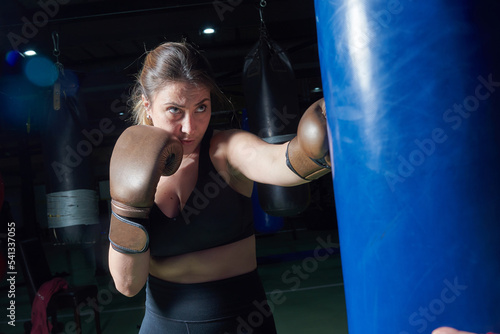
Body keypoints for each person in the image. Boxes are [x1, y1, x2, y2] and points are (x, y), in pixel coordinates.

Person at [107, 41, 331, 334]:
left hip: (240, 321)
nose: (190, 126)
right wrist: (127, 208)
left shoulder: (225, 150)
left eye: (201, 107)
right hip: (161, 325)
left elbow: (277, 162)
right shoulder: (133, 166)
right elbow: (127, 285)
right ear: (147, 106)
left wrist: (310, 152)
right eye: (175, 110)